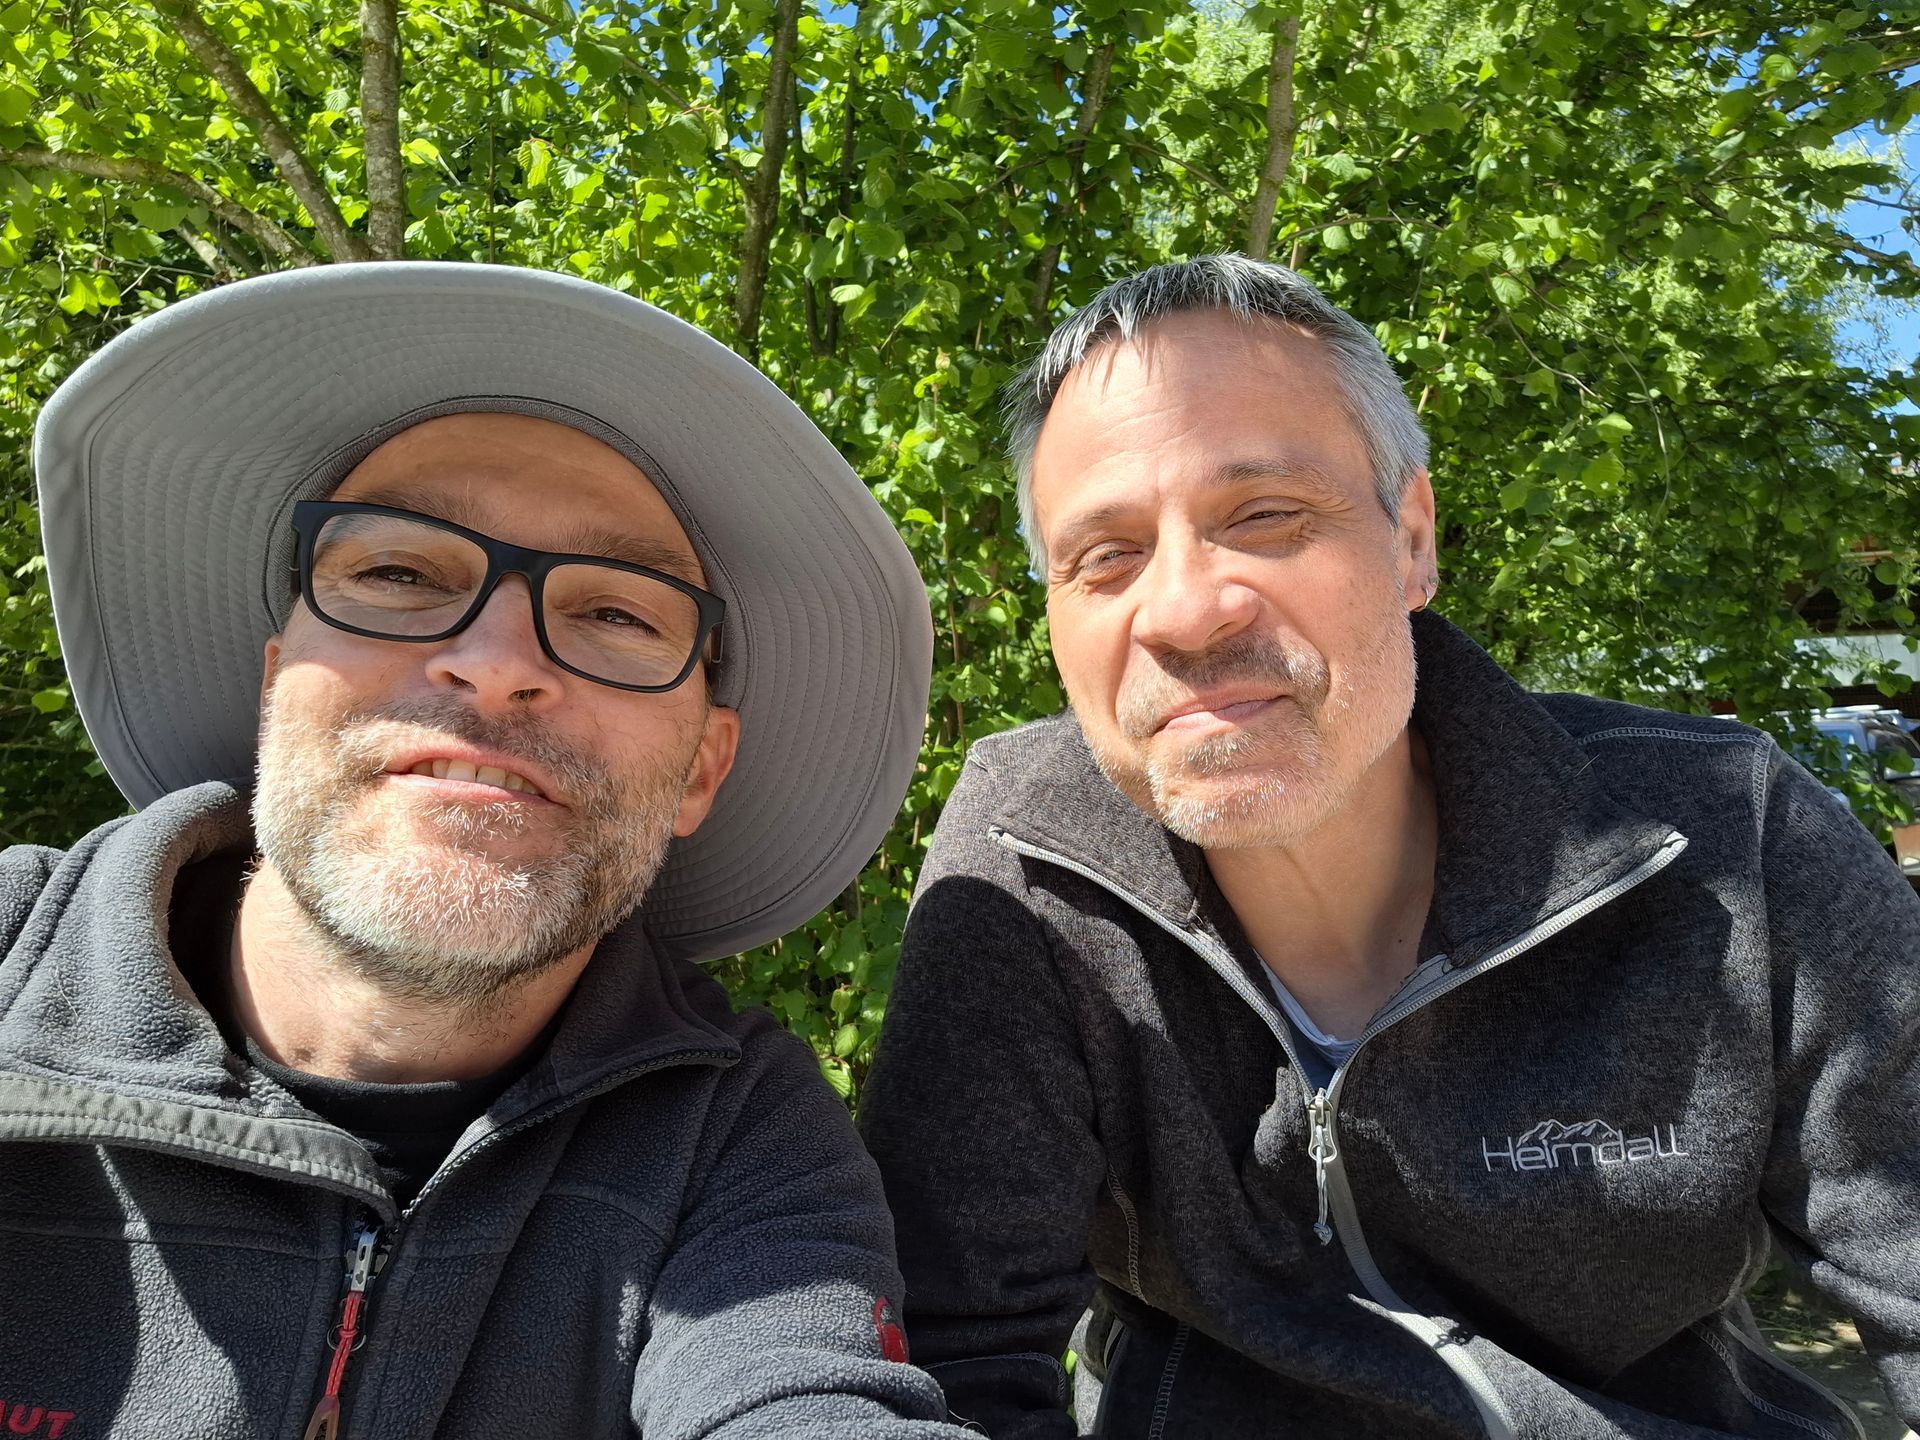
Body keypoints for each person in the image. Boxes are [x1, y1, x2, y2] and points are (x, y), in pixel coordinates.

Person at [858, 254, 1920, 1439]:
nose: (1185, 611)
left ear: (1411, 540)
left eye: (1265, 516)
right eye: (1104, 556)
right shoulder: (1025, 861)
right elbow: (951, 1354)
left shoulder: (1724, 839)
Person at [6, 262, 969, 1439]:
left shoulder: (739, 1137)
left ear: (699, 773)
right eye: (399, 572)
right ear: (275, 684)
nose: (497, 660)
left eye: (615, 613)